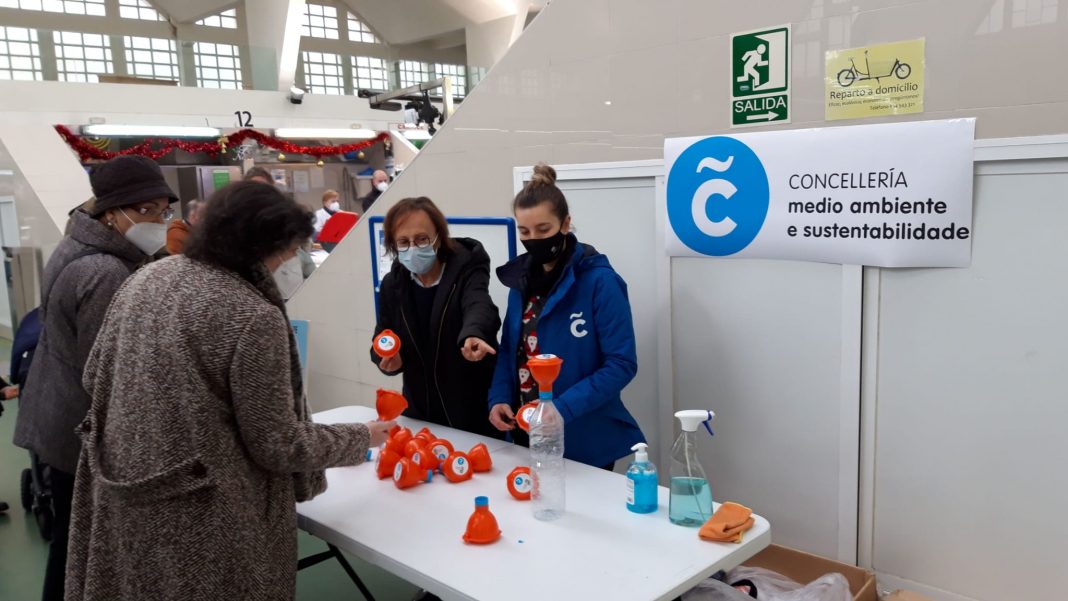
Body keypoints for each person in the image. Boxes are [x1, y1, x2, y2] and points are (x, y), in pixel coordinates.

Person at [65, 181, 394, 600]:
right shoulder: (250, 314)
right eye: (287, 247)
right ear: (260, 245)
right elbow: (278, 444)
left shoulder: (147, 278)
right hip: (204, 515)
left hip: (124, 486)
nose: (289, 257)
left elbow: (95, 376)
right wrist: (362, 436)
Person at [12, 155, 178, 601]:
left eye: (163, 210)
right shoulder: (104, 272)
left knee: (71, 542)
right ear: (111, 212)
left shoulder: (77, 243)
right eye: (145, 210)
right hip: (79, 431)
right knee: (78, 549)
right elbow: (107, 373)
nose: (158, 222)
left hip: (57, 410)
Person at [487, 164, 645, 470]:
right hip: (525, 434)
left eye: (543, 229)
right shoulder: (520, 282)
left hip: (584, 440)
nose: (533, 239)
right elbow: (510, 350)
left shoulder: (600, 282)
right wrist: (500, 398)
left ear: (566, 224)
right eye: (524, 232)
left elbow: (621, 364)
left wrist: (562, 408)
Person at [371, 196, 501, 438]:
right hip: (419, 413)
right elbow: (382, 335)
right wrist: (386, 358)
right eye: (403, 242)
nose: (413, 248)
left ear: (439, 238)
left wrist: (474, 333)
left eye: (422, 239)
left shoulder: (467, 267)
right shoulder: (393, 284)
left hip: (470, 412)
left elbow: (478, 304)